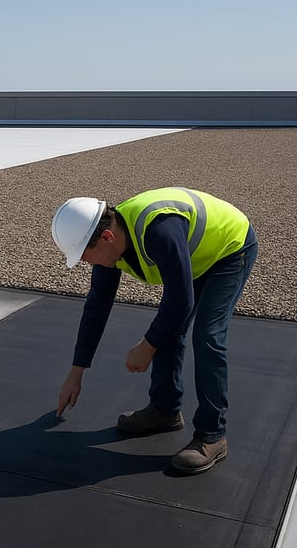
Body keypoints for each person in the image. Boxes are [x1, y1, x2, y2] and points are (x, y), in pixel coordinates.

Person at [51, 187, 257, 474]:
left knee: (208, 335)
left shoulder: (158, 230)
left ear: (107, 237)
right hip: (194, 256)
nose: (86, 263)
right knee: (169, 327)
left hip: (229, 249)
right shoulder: (109, 241)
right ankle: (165, 410)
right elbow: (97, 305)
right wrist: (76, 372)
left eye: (85, 256)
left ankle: (212, 436)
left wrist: (147, 347)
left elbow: (180, 301)